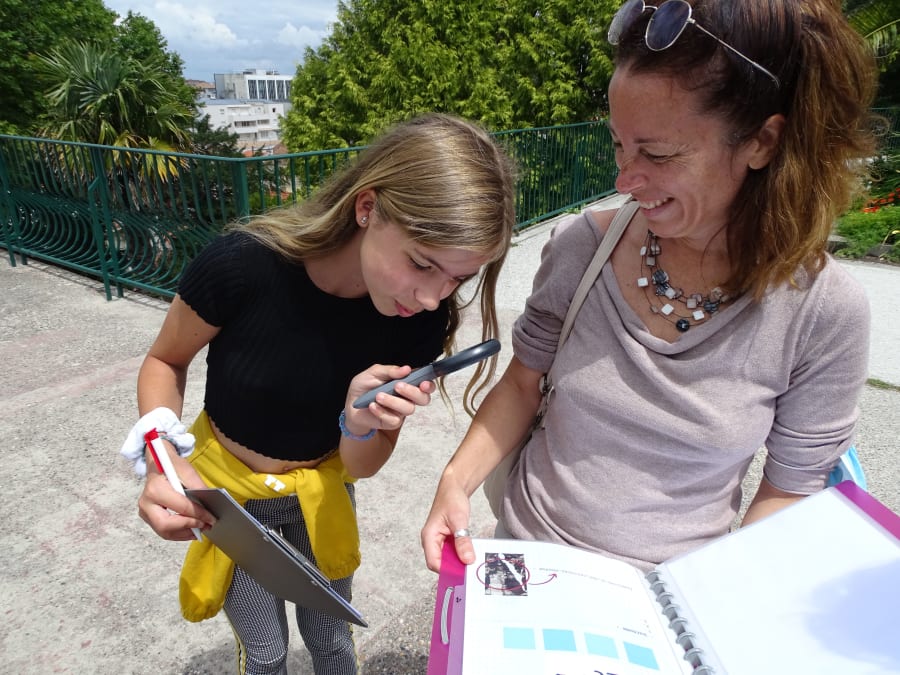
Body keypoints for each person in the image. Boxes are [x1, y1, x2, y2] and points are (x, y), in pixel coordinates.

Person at [422, 0, 879, 575]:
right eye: (618, 144)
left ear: (763, 142)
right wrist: (454, 482)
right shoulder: (582, 247)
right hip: (523, 561)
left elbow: (789, 488)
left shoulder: (824, 312)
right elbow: (521, 384)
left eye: (658, 154)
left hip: (675, 598)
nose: (624, 179)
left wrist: (712, 600)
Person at [119, 113, 516, 675]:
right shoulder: (243, 264)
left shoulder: (419, 325)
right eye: (422, 263)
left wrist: (360, 420)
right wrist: (162, 459)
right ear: (367, 207)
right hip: (228, 501)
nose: (431, 297)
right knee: (264, 652)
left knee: (332, 640)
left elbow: (364, 463)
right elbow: (166, 360)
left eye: (456, 278)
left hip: (322, 498)